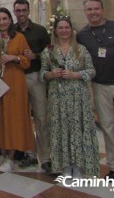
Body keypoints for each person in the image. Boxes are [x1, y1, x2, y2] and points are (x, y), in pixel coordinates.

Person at [77, 0, 114, 193]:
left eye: (96, 9)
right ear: (85, 12)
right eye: (89, 9)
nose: (93, 12)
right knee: (108, 127)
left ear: (103, 9)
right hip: (100, 85)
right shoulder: (82, 35)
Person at [40, 17, 99, 178]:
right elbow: (42, 73)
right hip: (57, 97)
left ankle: (78, 165)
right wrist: (51, 74)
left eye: (66, 28)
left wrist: (76, 74)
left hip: (77, 96)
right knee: (61, 130)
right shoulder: (49, 51)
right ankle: (65, 165)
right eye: (60, 28)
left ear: (71, 30)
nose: (64, 31)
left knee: (77, 130)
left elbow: (92, 70)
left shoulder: (80, 49)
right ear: (55, 30)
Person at [0, 7, 35, 173]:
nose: (2, 22)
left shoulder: (19, 38)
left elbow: (27, 61)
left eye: (4, 19)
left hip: (15, 82)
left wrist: (15, 58)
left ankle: (11, 156)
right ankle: (1, 153)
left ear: (10, 20)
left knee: (14, 118)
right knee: (0, 118)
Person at [12, 0, 52, 173]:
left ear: (29, 11)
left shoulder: (40, 31)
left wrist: (35, 56)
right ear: (14, 12)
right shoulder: (11, 30)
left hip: (35, 77)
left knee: (41, 117)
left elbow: (51, 54)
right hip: (17, 78)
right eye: (18, 11)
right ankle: (29, 153)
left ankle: (45, 157)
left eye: (24, 10)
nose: (21, 14)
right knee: (22, 117)